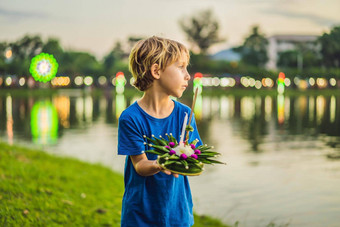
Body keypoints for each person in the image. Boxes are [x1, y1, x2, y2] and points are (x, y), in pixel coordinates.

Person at [117, 36, 202, 227]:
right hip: (140, 215)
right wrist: (161, 164)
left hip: (177, 212)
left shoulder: (185, 115)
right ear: (156, 71)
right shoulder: (131, 118)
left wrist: (191, 157)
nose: (188, 75)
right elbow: (140, 165)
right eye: (181, 67)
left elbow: (196, 155)